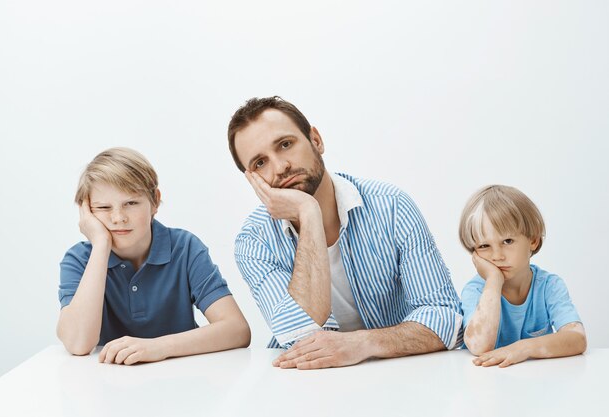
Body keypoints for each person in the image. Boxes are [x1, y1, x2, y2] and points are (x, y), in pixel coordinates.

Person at [227, 96, 462, 369]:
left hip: (398, 376)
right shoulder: (254, 241)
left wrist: (363, 343)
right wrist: (308, 213)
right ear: (251, 179)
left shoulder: (392, 206)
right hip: (308, 389)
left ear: (316, 140)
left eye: (286, 144)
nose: (280, 168)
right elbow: (299, 335)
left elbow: (448, 319)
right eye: (260, 163)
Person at [57, 147, 250, 365]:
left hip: (180, 380)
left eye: (131, 203)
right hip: (108, 384)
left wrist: (157, 347)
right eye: (103, 207)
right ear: (87, 212)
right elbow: (78, 343)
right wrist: (101, 245)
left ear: (155, 201)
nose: (118, 218)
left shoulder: (185, 248)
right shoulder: (79, 260)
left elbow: (237, 329)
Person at [459, 185, 586, 367]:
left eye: (507, 241)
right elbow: (479, 347)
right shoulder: (476, 290)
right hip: (485, 385)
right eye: (484, 246)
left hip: (534, 383)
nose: (497, 256)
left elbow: (577, 338)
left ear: (533, 240)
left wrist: (523, 348)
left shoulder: (549, 286)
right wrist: (494, 280)